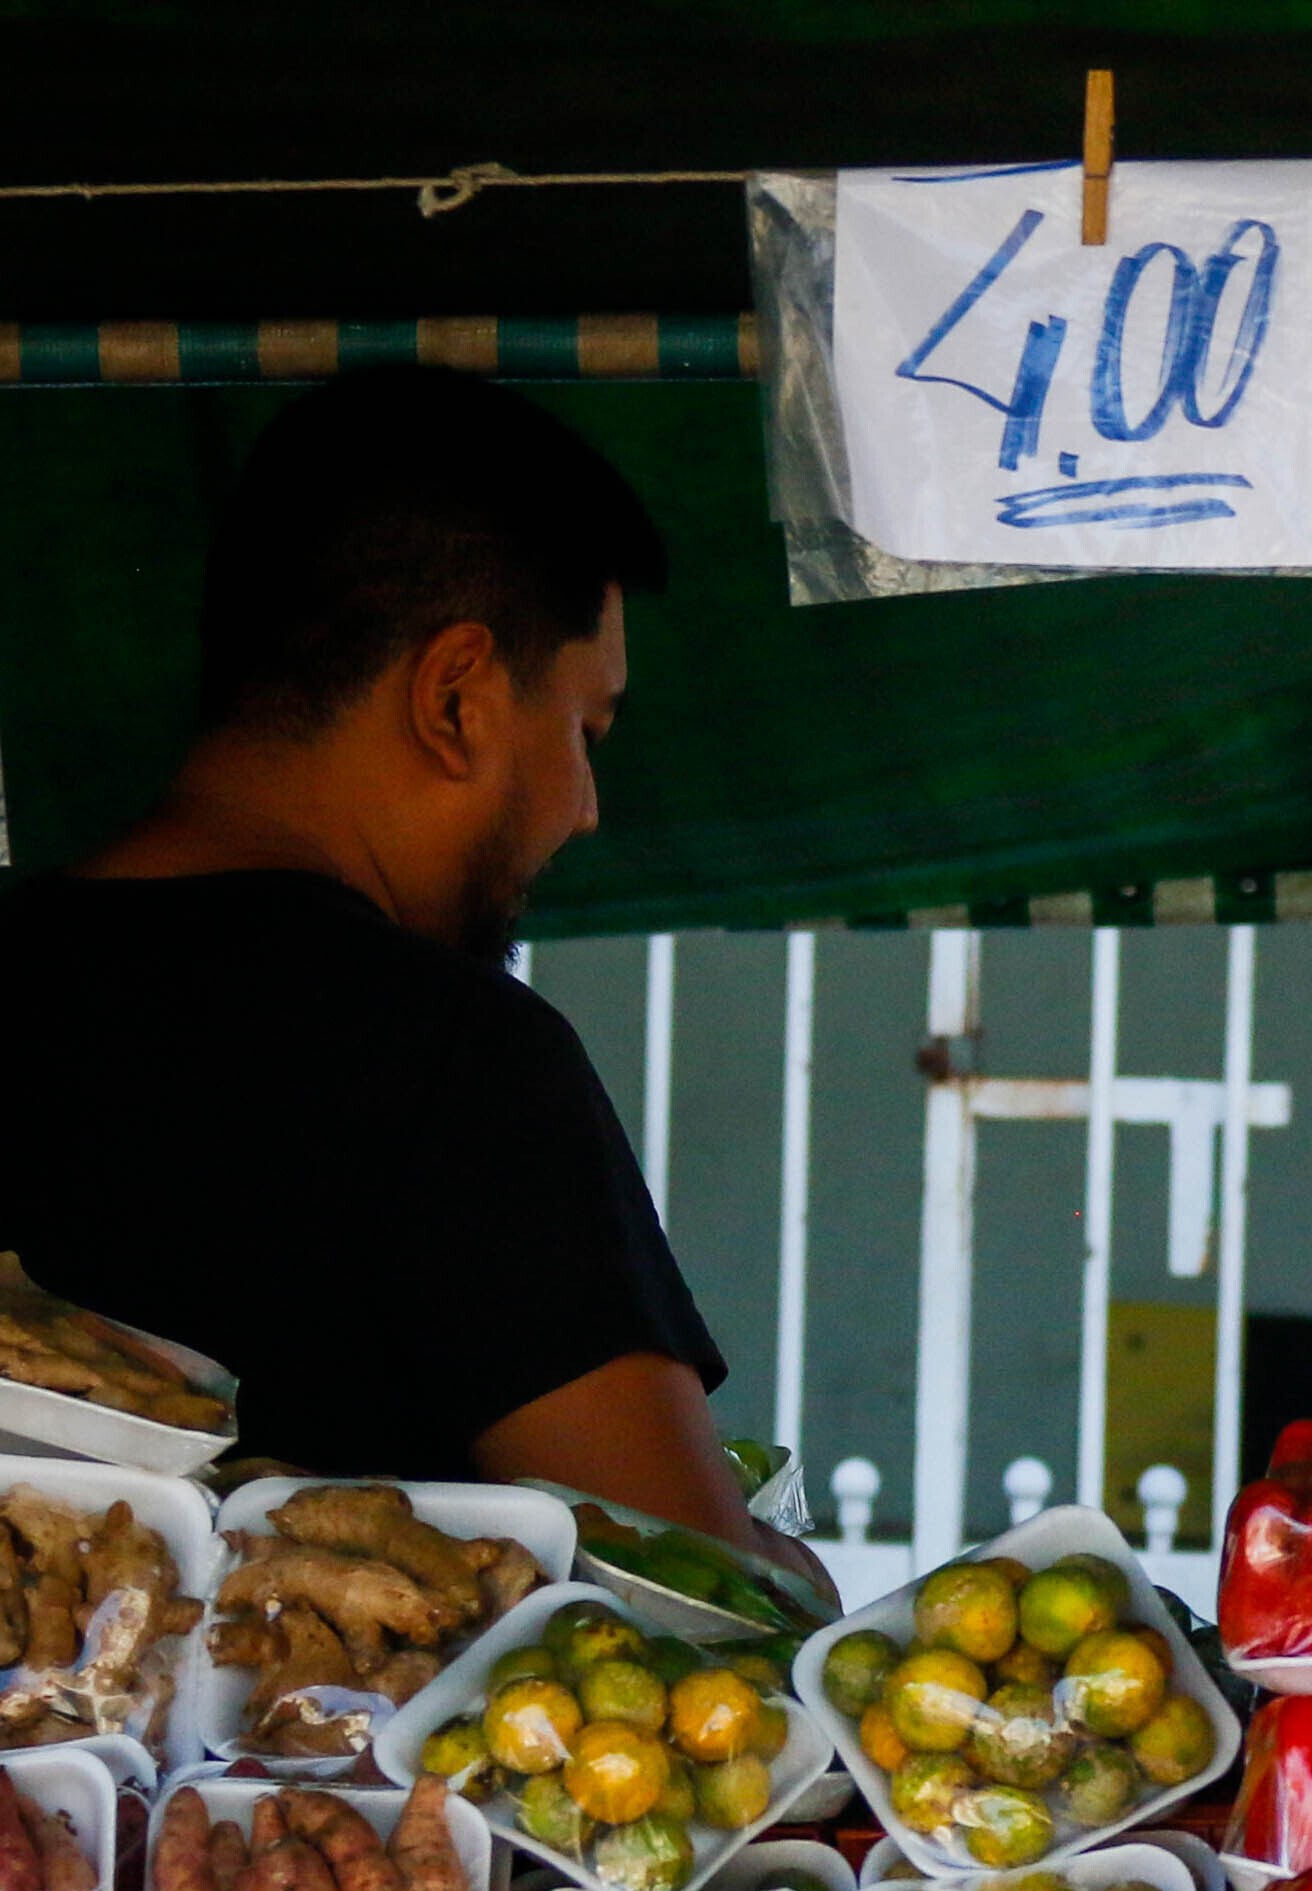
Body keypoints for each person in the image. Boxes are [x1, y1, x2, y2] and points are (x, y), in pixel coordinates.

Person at [0, 367, 822, 1590]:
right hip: (334, 1788)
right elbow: (688, 1595)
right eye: (584, 733)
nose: (586, 811)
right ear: (455, 697)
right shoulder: (459, 1056)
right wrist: (785, 1569)